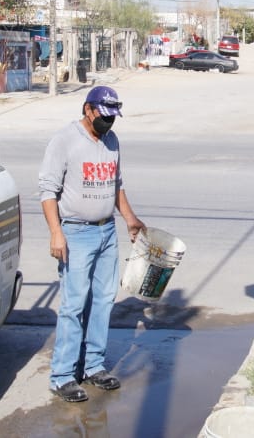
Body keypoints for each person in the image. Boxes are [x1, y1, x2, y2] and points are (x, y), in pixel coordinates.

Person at [39, 85, 145, 403]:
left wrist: (130, 219)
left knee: (102, 301)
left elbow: (117, 185)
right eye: (105, 116)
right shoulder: (64, 141)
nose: (109, 123)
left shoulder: (112, 141)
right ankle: (63, 376)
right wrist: (56, 232)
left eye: (113, 118)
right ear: (88, 110)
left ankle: (93, 366)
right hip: (76, 233)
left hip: (106, 232)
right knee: (73, 306)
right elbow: (47, 190)